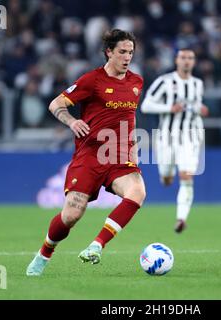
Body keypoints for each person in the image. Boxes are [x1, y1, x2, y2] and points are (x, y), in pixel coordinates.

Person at [26, 29, 145, 276]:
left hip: (118, 156)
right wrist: (71, 122)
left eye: (131, 52)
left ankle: (96, 245)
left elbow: (128, 118)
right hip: (89, 156)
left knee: (137, 192)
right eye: (122, 52)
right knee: (71, 215)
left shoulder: (136, 82)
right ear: (109, 52)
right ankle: (44, 253)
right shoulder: (92, 80)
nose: (127, 57)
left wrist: (132, 148)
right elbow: (55, 104)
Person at [141, 48, 208, 233]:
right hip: (166, 137)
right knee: (167, 177)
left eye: (190, 58)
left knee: (186, 175)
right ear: (176, 60)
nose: (187, 61)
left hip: (190, 136)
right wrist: (169, 108)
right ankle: (166, 176)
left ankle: (181, 218)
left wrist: (200, 110)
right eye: (183, 57)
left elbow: (193, 106)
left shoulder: (198, 84)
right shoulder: (164, 81)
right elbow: (146, 106)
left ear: (193, 62)